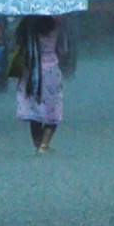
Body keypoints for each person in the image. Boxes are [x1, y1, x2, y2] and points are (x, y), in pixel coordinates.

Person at [13, 14, 70, 154]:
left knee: (34, 109)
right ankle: (44, 145)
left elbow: (18, 47)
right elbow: (63, 50)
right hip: (50, 70)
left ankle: (38, 144)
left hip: (30, 69)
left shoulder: (26, 25)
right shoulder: (56, 26)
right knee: (53, 107)